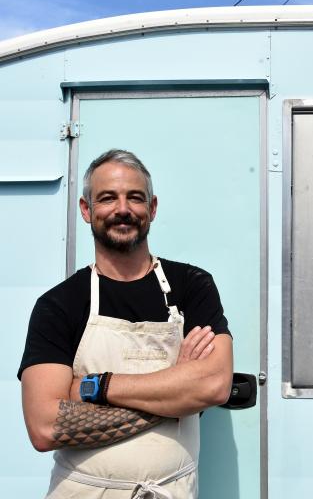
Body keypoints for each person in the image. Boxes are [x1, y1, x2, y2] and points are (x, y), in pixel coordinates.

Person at [18, 149, 233, 498]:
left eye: (135, 197)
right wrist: (176, 395)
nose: (122, 209)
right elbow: (45, 427)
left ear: (152, 208)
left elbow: (213, 386)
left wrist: (95, 388)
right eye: (107, 198)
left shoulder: (191, 286)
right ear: (87, 210)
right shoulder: (59, 304)